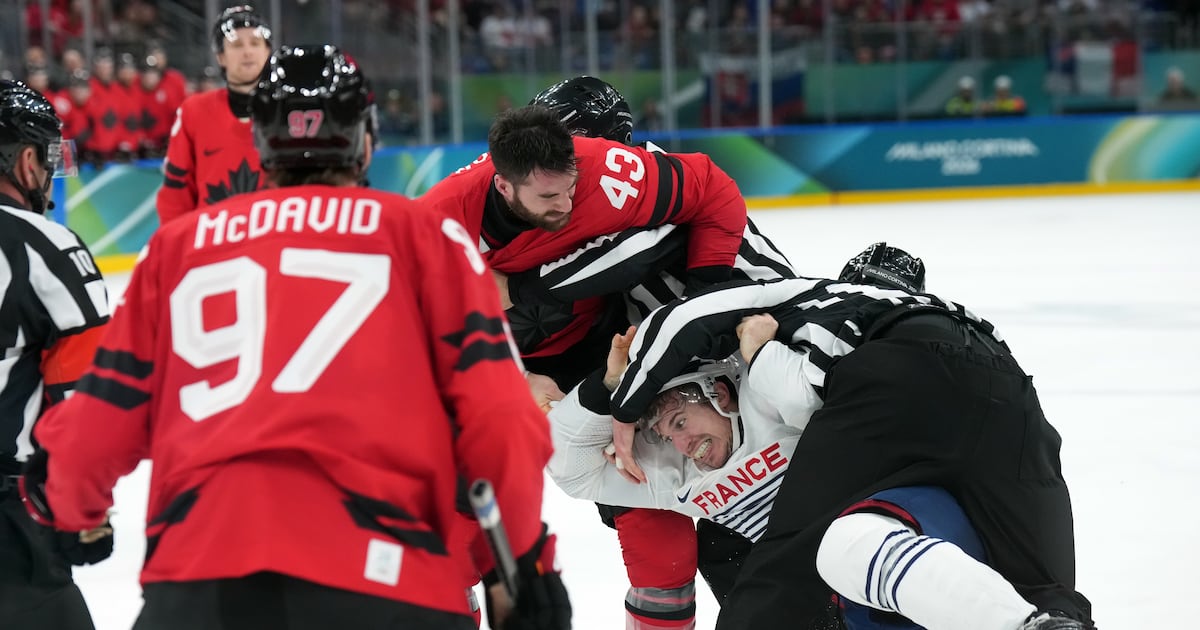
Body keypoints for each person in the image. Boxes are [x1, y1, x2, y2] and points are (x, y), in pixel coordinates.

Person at [19, 46, 570, 630]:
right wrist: (525, 563)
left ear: (259, 143)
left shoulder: (177, 251)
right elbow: (502, 422)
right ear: (365, 141)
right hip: (387, 577)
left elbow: (98, 419)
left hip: (203, 579)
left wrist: (72, 508)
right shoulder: (427, 239)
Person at [597, 247, 1095, 629]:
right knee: (1044, 584)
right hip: (1004, 379)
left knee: (798, 551)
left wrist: (758, 355)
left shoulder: (812, 300)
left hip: (895, 377)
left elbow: (800, 397)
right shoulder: (930, 304)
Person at [513, 75, 795, 630]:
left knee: (778, 559)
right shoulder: (597, 202)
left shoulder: (650, 189)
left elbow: (627, 257)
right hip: (711, 390)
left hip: (764, 384)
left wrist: (505, 289)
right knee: (699, 556)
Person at [0, 80, 111, 629]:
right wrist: (82, 506)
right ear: (23, 160)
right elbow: (86, 401)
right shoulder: (47, 247)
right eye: (44, 156)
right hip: (11, 525)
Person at [154, 5, 273, 226]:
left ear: (268, 51)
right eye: (236, 45)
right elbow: (175, 194)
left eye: (255, 44)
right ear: (220, 57)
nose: (247, 52)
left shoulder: (288, 109)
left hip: (272, 240)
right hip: (211, 244)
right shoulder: (194, 111)